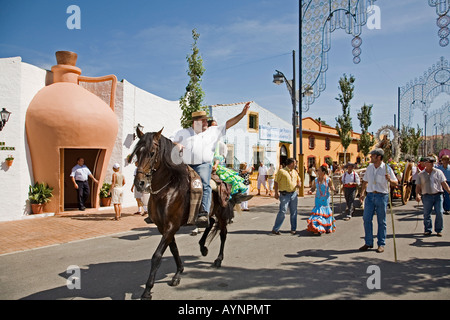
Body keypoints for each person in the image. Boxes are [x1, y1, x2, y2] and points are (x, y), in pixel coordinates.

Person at [171, 103, 250, 228]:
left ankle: (204, 212)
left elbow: (229, 123)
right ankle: (163, 210)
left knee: (204, 185)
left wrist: (242, 114)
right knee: (171, 181)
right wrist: (177, 144)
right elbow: (171, 140)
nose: (206, 122)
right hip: (185, 165)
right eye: (203, 121)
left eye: (206, 120)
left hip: (203, 165)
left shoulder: (213, 131)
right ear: (195, 122)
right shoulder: (184, 132)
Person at [359, 148, 398, 253]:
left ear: (379, 157)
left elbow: (396, 182)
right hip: (370, 196)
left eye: (373, 155)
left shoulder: (386, 168)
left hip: (382, 196)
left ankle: (381, 244)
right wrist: (362, 193)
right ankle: (368, 242)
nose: (371, 157)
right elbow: (365, 181)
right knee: (366, 219)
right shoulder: (370, 168)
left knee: (381, 221)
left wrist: (390, 179)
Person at [416, 157, 450, 236]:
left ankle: (439, 229)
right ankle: (428, 229)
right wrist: (417, 194)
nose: (431, 164)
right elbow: (418, 186)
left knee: (439, 212)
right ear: (425, 163)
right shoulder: (421, 174)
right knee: (427, 213)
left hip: (438, 195)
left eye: (432, 163)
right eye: (429, 162)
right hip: (426, 196)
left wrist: (449, 191)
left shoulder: (438, 172)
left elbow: (444, 183)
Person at [271, 158, 301, 235]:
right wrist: (276, 192)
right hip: (284, 194)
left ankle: (293, 229)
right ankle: (276, 229)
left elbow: (298, 179)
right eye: (294, 163)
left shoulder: (294, 172)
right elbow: (276, 181)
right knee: (283, 211)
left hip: (293, 193)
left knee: (294, 212)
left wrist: (299, 183)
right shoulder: (282, 171)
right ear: (291, 163)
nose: (295, 165)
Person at [307, 165, 336, 235]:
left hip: (325, 199)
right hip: (318, 199)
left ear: (323, 172)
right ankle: (319, 228)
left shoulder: (328, 180)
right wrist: (310, 191)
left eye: (319, 170)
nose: (317, 172)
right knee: (318, 213)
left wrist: (333, 189)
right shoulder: (316, 180)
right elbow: (313, 188)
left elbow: (332, 187)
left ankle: (325, 227)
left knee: (325, 213)